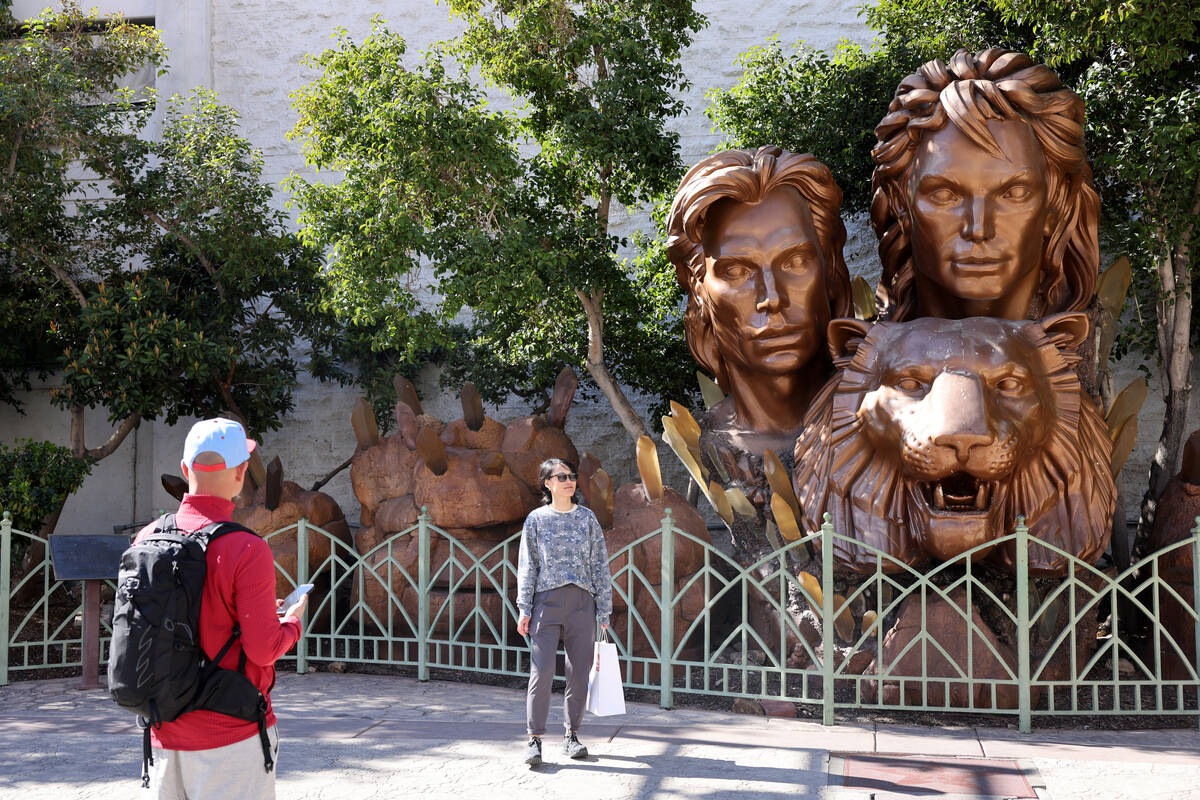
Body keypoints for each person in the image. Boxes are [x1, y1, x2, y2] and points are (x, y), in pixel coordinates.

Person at [135, 417, 307, 799]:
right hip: (231, 736)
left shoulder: (146, 538)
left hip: (162, 732)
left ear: (185, 469)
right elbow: (262, 649)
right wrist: (291, 624)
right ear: (241, 473)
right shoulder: (247, 548)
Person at [871, 48, 1100, 323]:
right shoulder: (860, 356)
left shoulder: (1077, 344)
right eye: (945, 195)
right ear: (900, 203)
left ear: (1055, 200)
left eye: (1014, 193)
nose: (978, 229)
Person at [666, 145, 852, 456]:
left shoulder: (891, 419)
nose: (772, 298)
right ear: (700, 288)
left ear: (830, 266)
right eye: (737, 270)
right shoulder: (706, 447)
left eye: (794, 262)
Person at [516, 458, 613, 766]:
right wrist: (524, 608)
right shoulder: (536, 520)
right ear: (548, 483)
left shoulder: (587, 519)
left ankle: (572, 736)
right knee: (542, 671)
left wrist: (604, 610)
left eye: (571, 476)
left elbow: (600, 564)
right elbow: (527, 566)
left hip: (582, 604)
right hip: (545, 604)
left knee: (578, 673)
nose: (569, 481)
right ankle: (535, 740)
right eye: (561, 477)